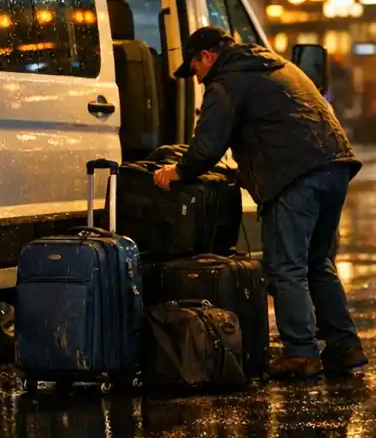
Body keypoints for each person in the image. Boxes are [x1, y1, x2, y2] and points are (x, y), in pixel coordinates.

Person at [152, 27, 364, 380]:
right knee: (317, 262)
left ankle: (301, 354)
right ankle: (345, 347)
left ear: (206, 56)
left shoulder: (225, 81)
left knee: (285, 267)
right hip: (335, 165)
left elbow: (206, 148)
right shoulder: (273, 64)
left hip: (297, 174)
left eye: (195, 69)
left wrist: (176, 172)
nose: (198, 79)